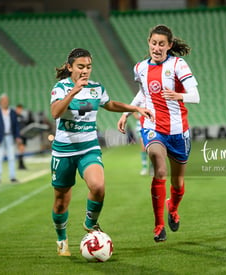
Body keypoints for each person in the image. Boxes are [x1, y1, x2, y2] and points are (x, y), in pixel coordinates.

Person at [50, 48, 153, 256]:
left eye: (88, 67)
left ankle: (91, 224)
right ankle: (61, 239)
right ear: (70, 67)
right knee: (61, 201)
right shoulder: (60, 88)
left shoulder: (97, 88)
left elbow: (110, 104)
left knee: (98, 186)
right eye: (80, 67)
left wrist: (134, 109)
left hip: (88, 147)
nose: (85, 71)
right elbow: (55, 112)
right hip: (63, 151)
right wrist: (73, 92)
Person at [118, 24, 200, 242]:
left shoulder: (177, 64)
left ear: (169, 46)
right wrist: (128, 111)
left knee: (178, 183)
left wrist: (179, 96)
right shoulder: (140, 68)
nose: (156, 47)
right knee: (159, 168)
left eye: (161, 44)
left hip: (178, 131)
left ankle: (172, 208)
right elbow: (142, 92)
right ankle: (158, 225)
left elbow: (195, 95)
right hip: (153, 127)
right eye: (153, 43)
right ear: (149, 43)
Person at [0, 93, 21, 184]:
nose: (5, 102)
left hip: (10, 136)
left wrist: (17, 137)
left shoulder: (12, 112)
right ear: (1, 102)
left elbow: (16, 126)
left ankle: (12, 176)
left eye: (7, 101)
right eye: (4, 101)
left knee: (11, 157)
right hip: (0, 137)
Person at [15, 104, 28, 170]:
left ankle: (21, 164)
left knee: (22, 150)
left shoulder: (22, 117)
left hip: (24, 135)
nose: (20, 110)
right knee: (20, 149)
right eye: (19, 109)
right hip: (19, 136)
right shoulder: (14, 116)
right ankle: (20, 165)